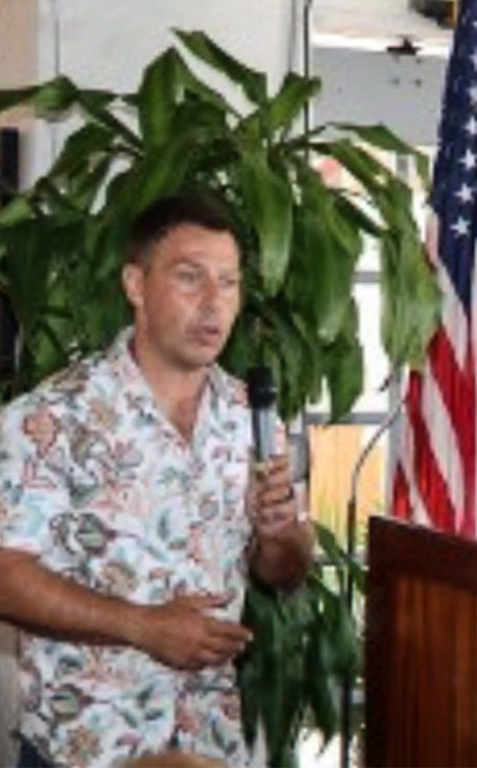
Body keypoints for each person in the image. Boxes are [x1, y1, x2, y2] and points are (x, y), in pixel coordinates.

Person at [0, 195, 315, 767]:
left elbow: (286, 573)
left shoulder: (254, 419)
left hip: (209, 747)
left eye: (228, 282)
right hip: (85, 749)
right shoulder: (51, 418)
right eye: (190, 278)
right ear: (136, 285)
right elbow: (4, 573)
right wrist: (140, 626)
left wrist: (281, 534)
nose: (214, 304)